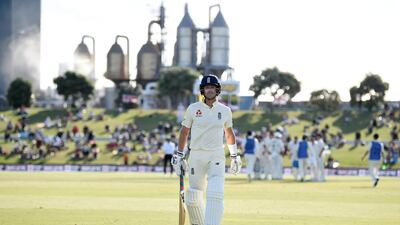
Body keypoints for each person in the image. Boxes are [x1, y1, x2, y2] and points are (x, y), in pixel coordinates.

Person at [171, 74, 242, 225]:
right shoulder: (193, 109)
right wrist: (179, 155)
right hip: (196, 155)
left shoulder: (225, 110)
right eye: (207, 87)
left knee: (215, 191)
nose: (210, 90)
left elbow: (229, 133)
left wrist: (235, 155)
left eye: (212, 87)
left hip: (216, 154)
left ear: (217, 90)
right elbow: (184, 132)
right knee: (192, 197)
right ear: (203, 90)